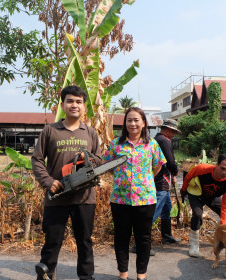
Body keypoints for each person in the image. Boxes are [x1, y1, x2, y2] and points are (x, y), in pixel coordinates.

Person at [32, 85, 102, 280]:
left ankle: (86, 277)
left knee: (85, 241)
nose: (74, 105)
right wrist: (48, 181)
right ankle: (45, 274)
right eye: (70, 101)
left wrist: (86, 157)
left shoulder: (90, 133)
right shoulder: (50, 131)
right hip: (57, 196)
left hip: (85, 197)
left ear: (84, 107)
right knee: (52, 241)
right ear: (62, 105)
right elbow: (37, 159)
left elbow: (99, 159)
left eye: (79, 102)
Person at [103, 107, 166, 280]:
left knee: (143, 238)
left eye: (136, 120)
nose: (132, 123)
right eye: (129, 120)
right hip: (120, 199)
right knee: (121, 236)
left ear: (143, 123)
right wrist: (121, 179)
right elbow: (107, 166)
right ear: (125, 123)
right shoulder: (116, 144)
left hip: (145, 199)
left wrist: (144, 180)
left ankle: (141, 275)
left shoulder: (152, 144)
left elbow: (158, 165)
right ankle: (123, 274)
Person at [180, 153, 226, 258]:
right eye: (222, 168)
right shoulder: (202, 169)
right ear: (217, 164)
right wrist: (183, 190)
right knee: (197, 215)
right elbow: (189, 176)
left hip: (211, 196)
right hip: (196, 192)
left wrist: (222, 227)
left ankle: (218, 238)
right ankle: (193, 244)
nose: (224, 172)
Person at [153, 119, 181, 244]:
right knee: (156, 210)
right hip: (161, 180)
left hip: (161, 179)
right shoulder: (164, 140)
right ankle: (140, 242)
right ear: (169, 130)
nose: (174, 134)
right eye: (173, 132)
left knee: (167, 208)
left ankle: (167, 236)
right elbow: (170, 162)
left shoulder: (156, 139)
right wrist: (175, 172)